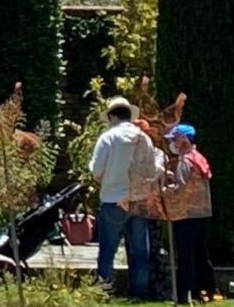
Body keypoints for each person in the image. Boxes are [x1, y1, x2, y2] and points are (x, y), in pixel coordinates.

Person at [88, 97, 163, 299]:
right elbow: (150, 171)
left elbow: (96, 171)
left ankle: (104, 289)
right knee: (140, 250)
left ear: (112, 117)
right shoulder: (144, 139)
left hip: (113, 199)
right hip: (139, 200)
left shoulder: (108, 138)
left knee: (108, 249)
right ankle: (139, 291)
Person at [163, 124, 218, 302]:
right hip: (201, 212)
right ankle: (208, 289)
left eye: (175, 139)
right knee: (200, 253)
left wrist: (165, 190)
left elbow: (181, 188)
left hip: (186, 213)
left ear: (184, 140)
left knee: (186, 255)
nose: (173, 143)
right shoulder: (198, 157)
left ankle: (185, 293)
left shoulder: (185, 161)